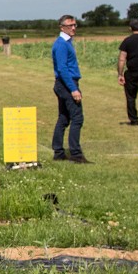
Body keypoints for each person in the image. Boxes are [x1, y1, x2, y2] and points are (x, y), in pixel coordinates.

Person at [50, 15, 89, 163]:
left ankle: (59, 152)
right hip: (66, 84)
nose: (73, 28)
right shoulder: (61, 44)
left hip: (64, 83)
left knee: (64, 118)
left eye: (75, 25)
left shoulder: (66, 43)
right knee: (77, 118)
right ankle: (76, 154)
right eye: (69, 25)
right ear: (62, 27)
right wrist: (73, 89)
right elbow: (62, 69)